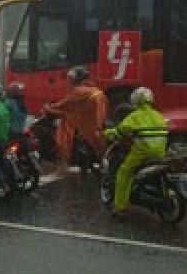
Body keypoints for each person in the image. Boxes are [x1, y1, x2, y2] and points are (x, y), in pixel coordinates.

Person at [104, 87, 168, 216]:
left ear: (136, 100)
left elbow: (121, 130)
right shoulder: (159, 115)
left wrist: (108, 133)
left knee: (124, 172)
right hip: (160, 153)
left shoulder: (135, 116)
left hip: (142, 152)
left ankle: (119, 207)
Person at [45, 66, 107, 166]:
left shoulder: (78, 91)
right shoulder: (96, 90)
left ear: (77, 79)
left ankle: (64, 156)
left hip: (85, 126)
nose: (69, 82)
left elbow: (63, 104)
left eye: (71, 79)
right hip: (97, 125)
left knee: (64, 130)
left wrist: (48, 107)